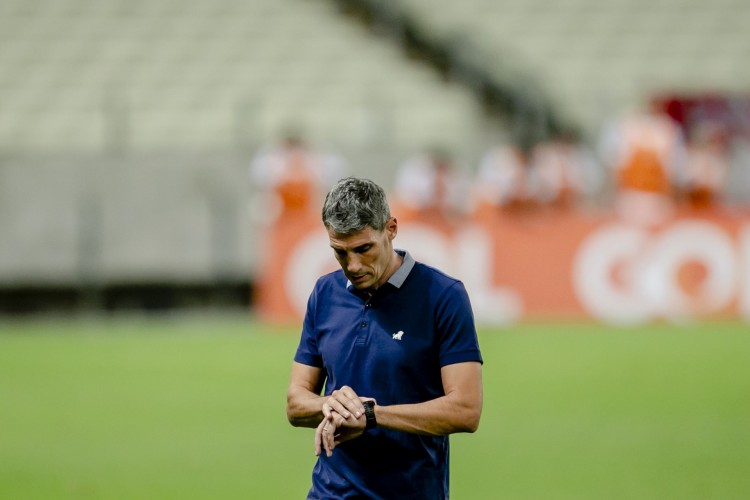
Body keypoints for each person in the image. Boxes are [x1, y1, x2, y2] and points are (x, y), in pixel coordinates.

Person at [286, 177, 484, 499]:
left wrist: (372, 416)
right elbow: (296, 403)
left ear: (391, 229)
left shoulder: (443, 296)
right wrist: (330, 404)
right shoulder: (324, 293)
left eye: (364, 249)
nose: (353, 265)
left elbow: (465, 410)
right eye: (340, 252)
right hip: (329, 493)